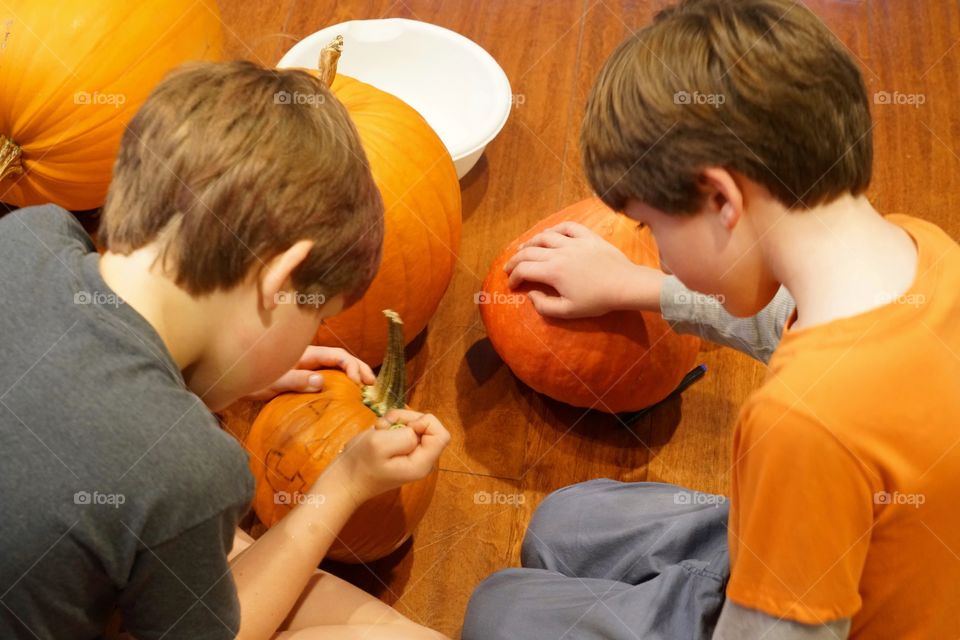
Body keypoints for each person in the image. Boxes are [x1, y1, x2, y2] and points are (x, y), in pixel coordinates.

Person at [462, 0, 960, 638]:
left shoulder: (802, 424)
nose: (656, 250)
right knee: (567, 524)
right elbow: (785, 318)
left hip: (801, 610)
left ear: (722, 199)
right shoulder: (921, 251)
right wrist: (637, 284)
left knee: (498, 612)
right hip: (839, 548)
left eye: (651, 228)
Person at [0, 60, 449, 640]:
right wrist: (346, 482)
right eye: (315, 315)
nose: (307, 340)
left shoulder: (29, 233)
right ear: (279, 281)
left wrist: (182, 382)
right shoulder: (189, 470)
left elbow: (71, 392)